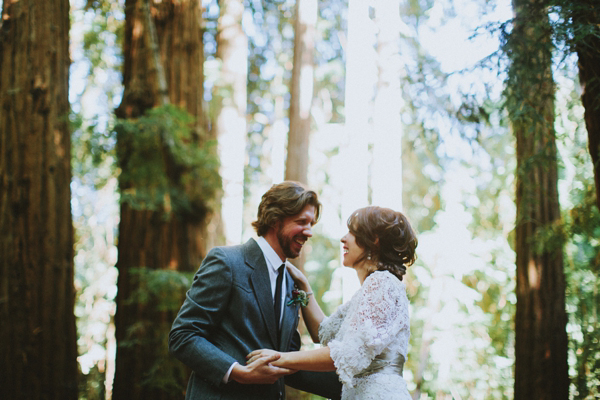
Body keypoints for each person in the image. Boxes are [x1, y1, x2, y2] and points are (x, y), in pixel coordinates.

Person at [169, 181, 342, 400]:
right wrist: (239, 373)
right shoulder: (228, 262)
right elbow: (183, 335)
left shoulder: (290, 282)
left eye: (312, 224)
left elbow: (287, 359)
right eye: (302, 222)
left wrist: (355, 386)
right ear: (275, 220)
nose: (309, 232)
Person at [247, 206, 418, 400]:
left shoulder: (383, 283)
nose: (344, 238)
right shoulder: (368, 292)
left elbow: (347, 353)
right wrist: (303, 285)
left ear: (374, 241)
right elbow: (323, 332)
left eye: (352, 232)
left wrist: (279, 358)